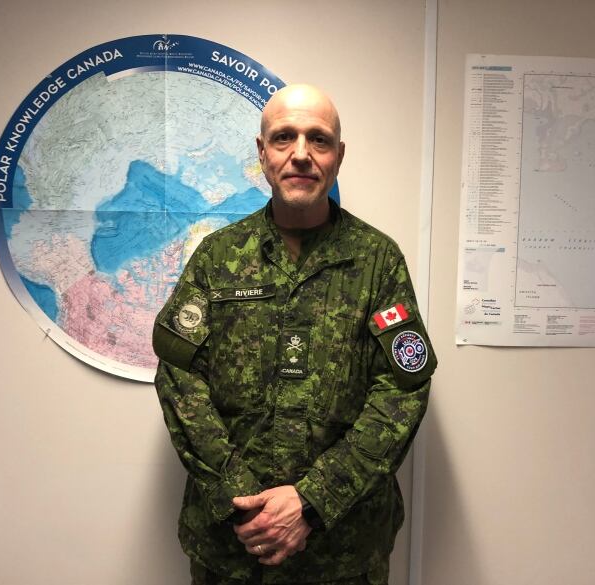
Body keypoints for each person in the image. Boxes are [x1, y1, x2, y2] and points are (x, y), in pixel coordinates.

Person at [152, 84, 436, 585]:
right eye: (284, 138)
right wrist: (242, 497)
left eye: (318, 140)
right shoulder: (218, 258)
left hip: (343, 552)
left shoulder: (377, 260)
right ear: (262, 153)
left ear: (338, 156)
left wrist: (313, 500)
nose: (301, 154)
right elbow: (180, 380)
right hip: (232, 549)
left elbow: (402, 391)